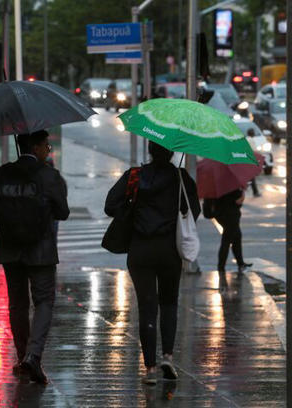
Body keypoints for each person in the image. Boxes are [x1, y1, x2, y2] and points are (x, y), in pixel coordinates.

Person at [105, 141, 200, 385]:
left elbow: (110, 206)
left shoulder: (134, 176)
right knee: (169, 303)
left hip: (140, 250)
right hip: (169, 250)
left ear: (149, 150)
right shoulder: (180, 178)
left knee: (147, 307)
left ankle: (149, 368)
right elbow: (194, 210)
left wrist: (132, 206)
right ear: (171, 153)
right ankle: (167, 356)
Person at [0, 130, 69, 385]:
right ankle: (33, 356)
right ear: (36, 146)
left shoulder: (1, 174)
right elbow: (63, 212)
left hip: (10, 250)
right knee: (44, 301)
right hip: (41, 251)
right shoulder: (49, 175)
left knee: (17, 304)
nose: (48, 150)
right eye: (46, 146)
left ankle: (23, 358)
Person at [216, 189, 252, 291]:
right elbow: (237, 202)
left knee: (236, 237)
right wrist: (242, 194)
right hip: (230, 215)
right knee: (227, 240)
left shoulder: (220, 184)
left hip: (222, 214)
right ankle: (221, 266)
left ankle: (240, 263)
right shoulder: (232, 187)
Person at [246, 128, 261, 197]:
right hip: (250, 160)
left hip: (245, 159)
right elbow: (254, 151)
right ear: (253, 134)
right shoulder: (251, 140)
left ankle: (255, 191)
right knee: (252, 176)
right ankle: (255, 192)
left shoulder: (246, 139)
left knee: (248, 176)